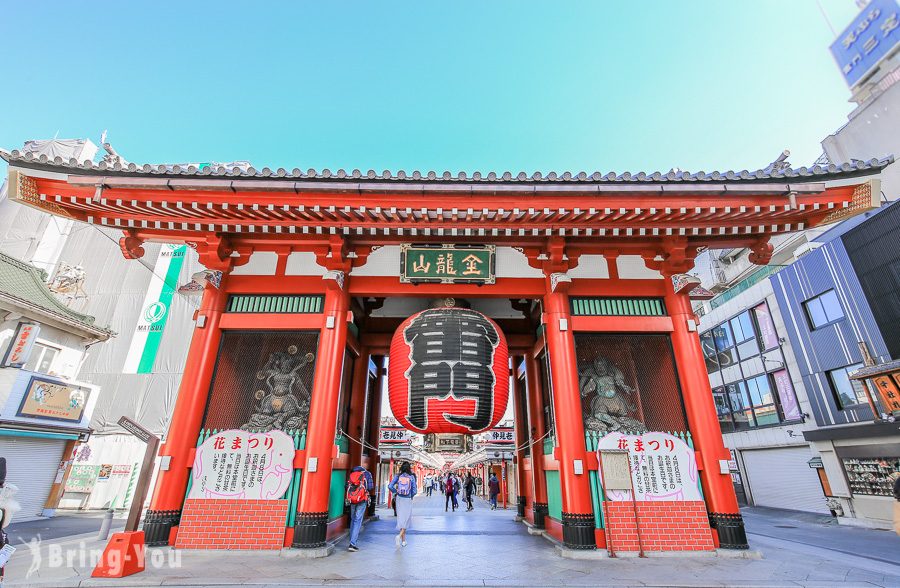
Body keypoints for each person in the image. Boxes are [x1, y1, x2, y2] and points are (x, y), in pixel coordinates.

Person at [387, 461, 417, 547]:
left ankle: (403, 541)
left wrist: (396, 492)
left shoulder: (398, 476)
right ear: (409, 468)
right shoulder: (411, 477)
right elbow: (414, 491)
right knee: (406, 519)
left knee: (401, 519)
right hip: (407, 499)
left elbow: (390, 486)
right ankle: (399, 536)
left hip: (399, 499)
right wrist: (410, 495)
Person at [345, 465, 374, 552]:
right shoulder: (367, 474)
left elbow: (346, 486)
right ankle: (352, 544)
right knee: (358, 520)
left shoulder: (352, 474)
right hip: (362, 500)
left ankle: (351, 540)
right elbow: (370, 487)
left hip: (352, 500)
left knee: (353, 519)